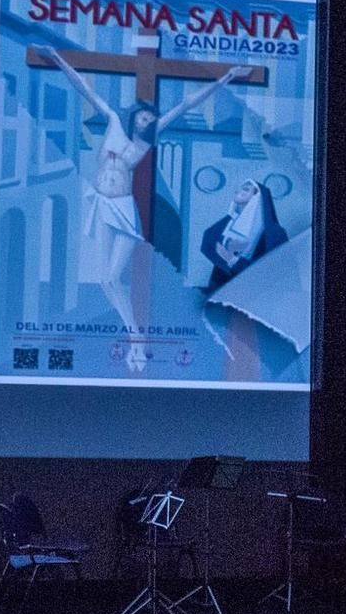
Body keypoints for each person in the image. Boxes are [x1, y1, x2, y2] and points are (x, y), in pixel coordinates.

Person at [32, 45, 243, 372]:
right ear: (134, 114)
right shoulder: (115, 121)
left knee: (114, 275)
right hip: (102, 204)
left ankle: (136, 338)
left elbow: (188, 103)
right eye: (144, 115)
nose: (147, 119)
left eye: (151, 118)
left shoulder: (148, 138)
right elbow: (84, 88)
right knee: (106, 280)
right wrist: (58, 59)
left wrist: (226, 77)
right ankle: (136, 338)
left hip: (123, 208)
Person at [198, 178, 287, 294]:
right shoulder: (230, 220)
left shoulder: (275, 233)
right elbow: (207, 242)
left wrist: (232, 260)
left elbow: (271, 270)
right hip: (219, 287)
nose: (238, 191)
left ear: (257, 196)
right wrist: (226, 254)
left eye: (245, 189)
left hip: (251, 294)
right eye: (239, 188)